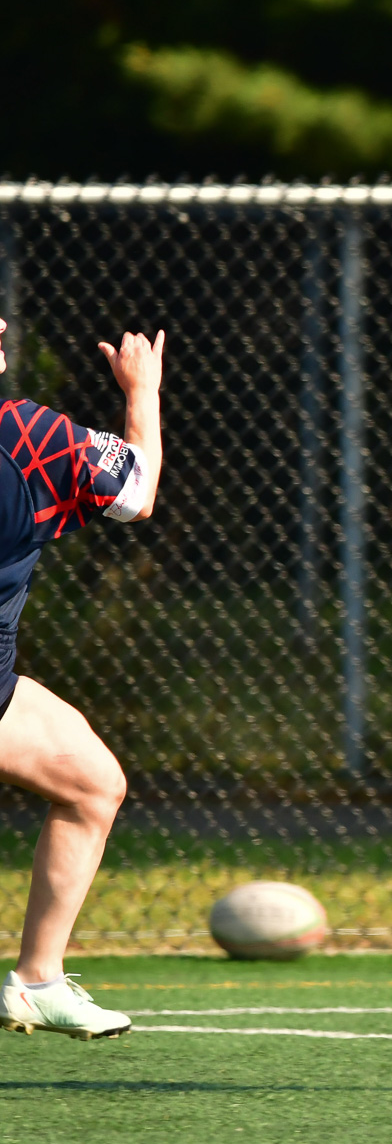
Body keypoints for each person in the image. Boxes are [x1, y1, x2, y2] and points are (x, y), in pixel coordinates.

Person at [0, 319, 164, 1040]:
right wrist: (144, 393)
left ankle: (37, 981)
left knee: (91, 779)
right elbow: (135, 491)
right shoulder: (29, 436)